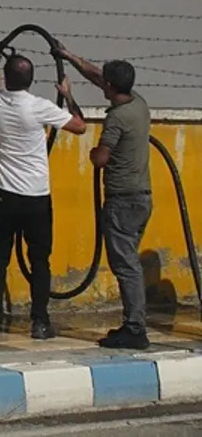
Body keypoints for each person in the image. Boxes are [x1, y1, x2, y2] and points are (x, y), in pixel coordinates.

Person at [0, 47, 87, 338]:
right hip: (36, 197)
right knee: (40, 260)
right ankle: (39, 322)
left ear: (9, 78)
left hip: (5, 195)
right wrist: (67, 95)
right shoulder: (39, 106)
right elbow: (80, 126)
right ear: (30, 79)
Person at [59, 46, 152, 350]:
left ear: (110, 87)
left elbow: (100, 159)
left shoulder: (117, 119)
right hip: (141, 199)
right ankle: (133, 324)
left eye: (105, 82)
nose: (102, 83)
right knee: (130, 263)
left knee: (126, 266)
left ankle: (135, 328)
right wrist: (70, 57)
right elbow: (97, 75)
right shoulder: (138, 103)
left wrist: (70, 99)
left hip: (122, 201)